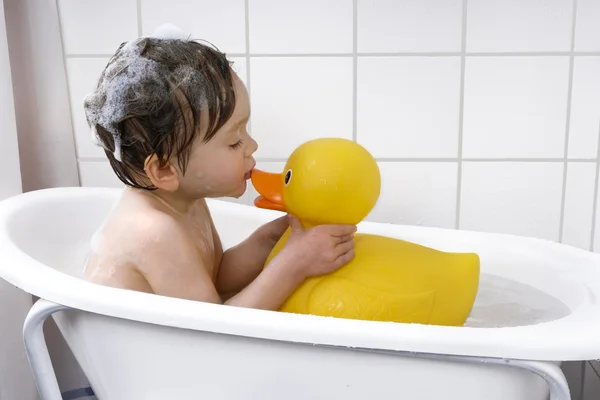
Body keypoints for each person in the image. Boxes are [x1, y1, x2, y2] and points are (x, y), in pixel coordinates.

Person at [82, 25, 356, 311]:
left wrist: (269, 240)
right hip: (144, 352)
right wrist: (293, 265)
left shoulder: (183, 199)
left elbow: (216, 277)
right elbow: (219, 331)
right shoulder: (154, 231)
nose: (252, 146)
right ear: (164, 170)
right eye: (235, 142)